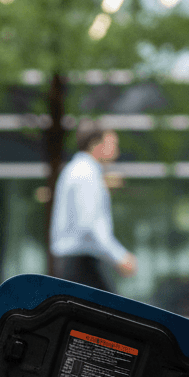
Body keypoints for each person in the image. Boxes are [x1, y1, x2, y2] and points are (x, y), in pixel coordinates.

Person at [49, 123, 137, 291]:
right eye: (112, 145)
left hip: (75, 263)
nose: (116, 152)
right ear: (96, 145)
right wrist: (120, 256)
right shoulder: (86, 174)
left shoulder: (76, 170)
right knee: (114, 313)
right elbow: (89, 225)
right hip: (82, 264)